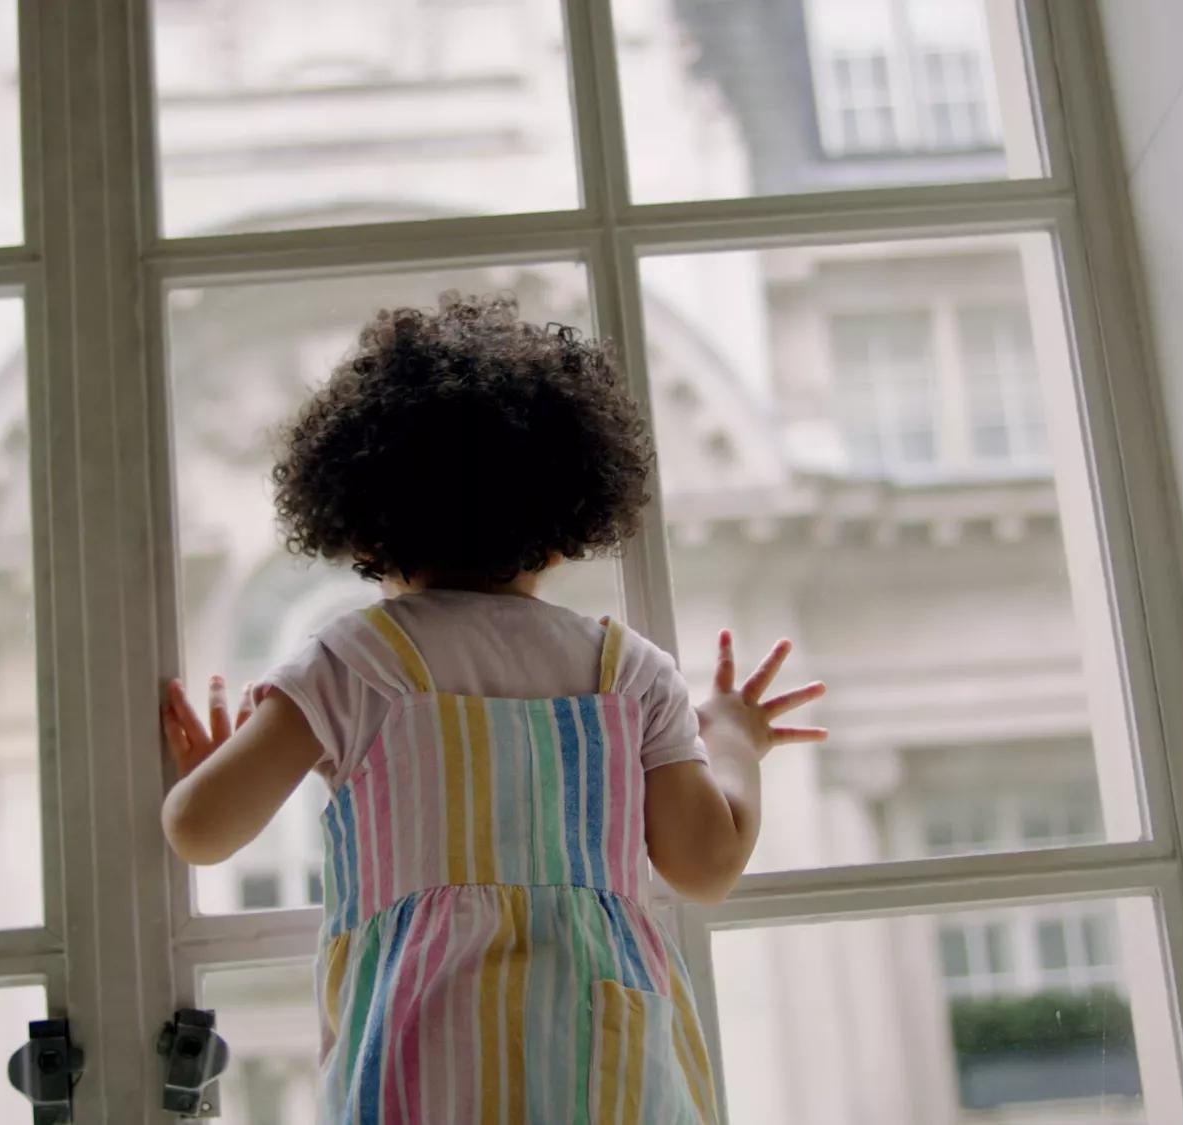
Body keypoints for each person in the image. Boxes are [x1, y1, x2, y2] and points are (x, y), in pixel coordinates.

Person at [159, 293, 825, 1123]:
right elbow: (706, 865)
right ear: (565, 527)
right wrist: (732, 739)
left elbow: (199, 828)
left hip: (420, 1071)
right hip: (602, 1070)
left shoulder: (354, 662)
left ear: (366, 533)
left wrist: (221, 769)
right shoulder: (630, 673)